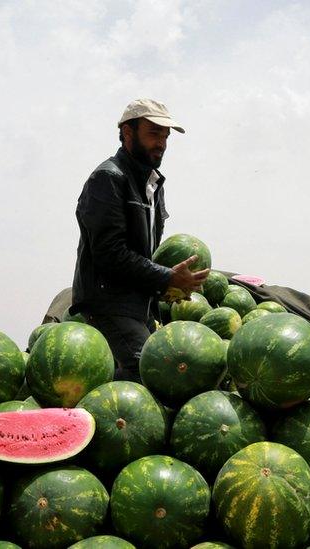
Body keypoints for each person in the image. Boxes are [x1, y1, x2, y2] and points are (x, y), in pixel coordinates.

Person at [71, 99, 208, 381]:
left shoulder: (153, 184)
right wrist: (166, 278)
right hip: (109, 304)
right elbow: (109, 253)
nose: (161, 143)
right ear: (127, 132)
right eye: (153, 134)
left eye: (165, 137)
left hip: (140, 305)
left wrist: (168, 286)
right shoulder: (108, 178)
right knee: (149, 373)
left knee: (158, 373)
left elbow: (148, 253)